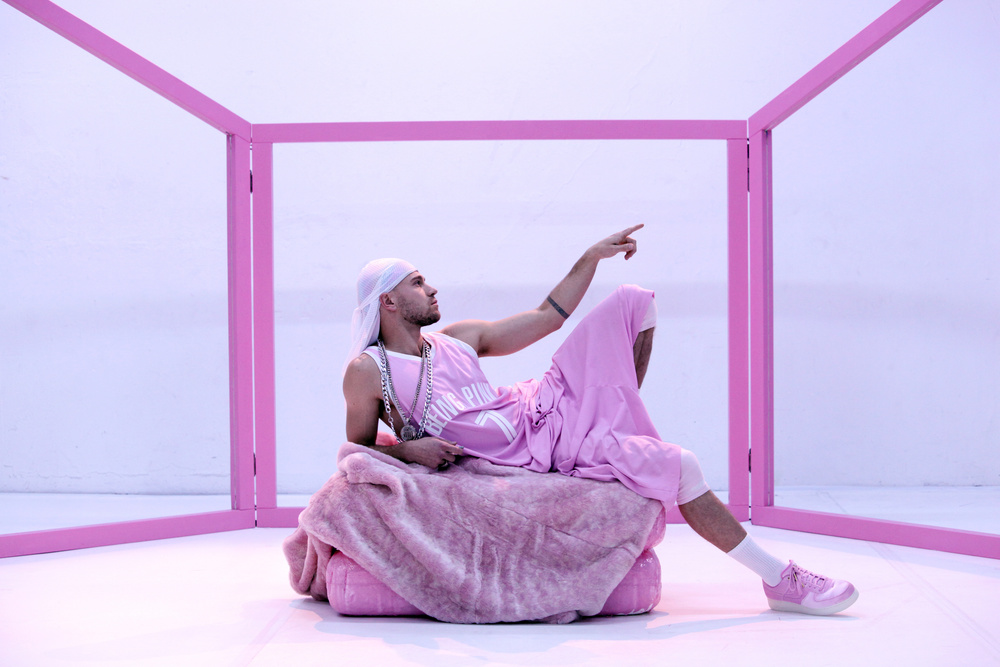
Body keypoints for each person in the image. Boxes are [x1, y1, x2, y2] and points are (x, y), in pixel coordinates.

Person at [342, 224, 858, 616]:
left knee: (634, 303)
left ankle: (610, 427)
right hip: (538, 447)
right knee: (682, 466)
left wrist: (590, 257)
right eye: (417, 283)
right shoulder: (368, 371)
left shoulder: (457, 339)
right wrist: (407, 449)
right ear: (387, 301)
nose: (432, 289)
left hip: (543, 405)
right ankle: (779, 579)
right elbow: (358, 448)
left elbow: (546, 318)